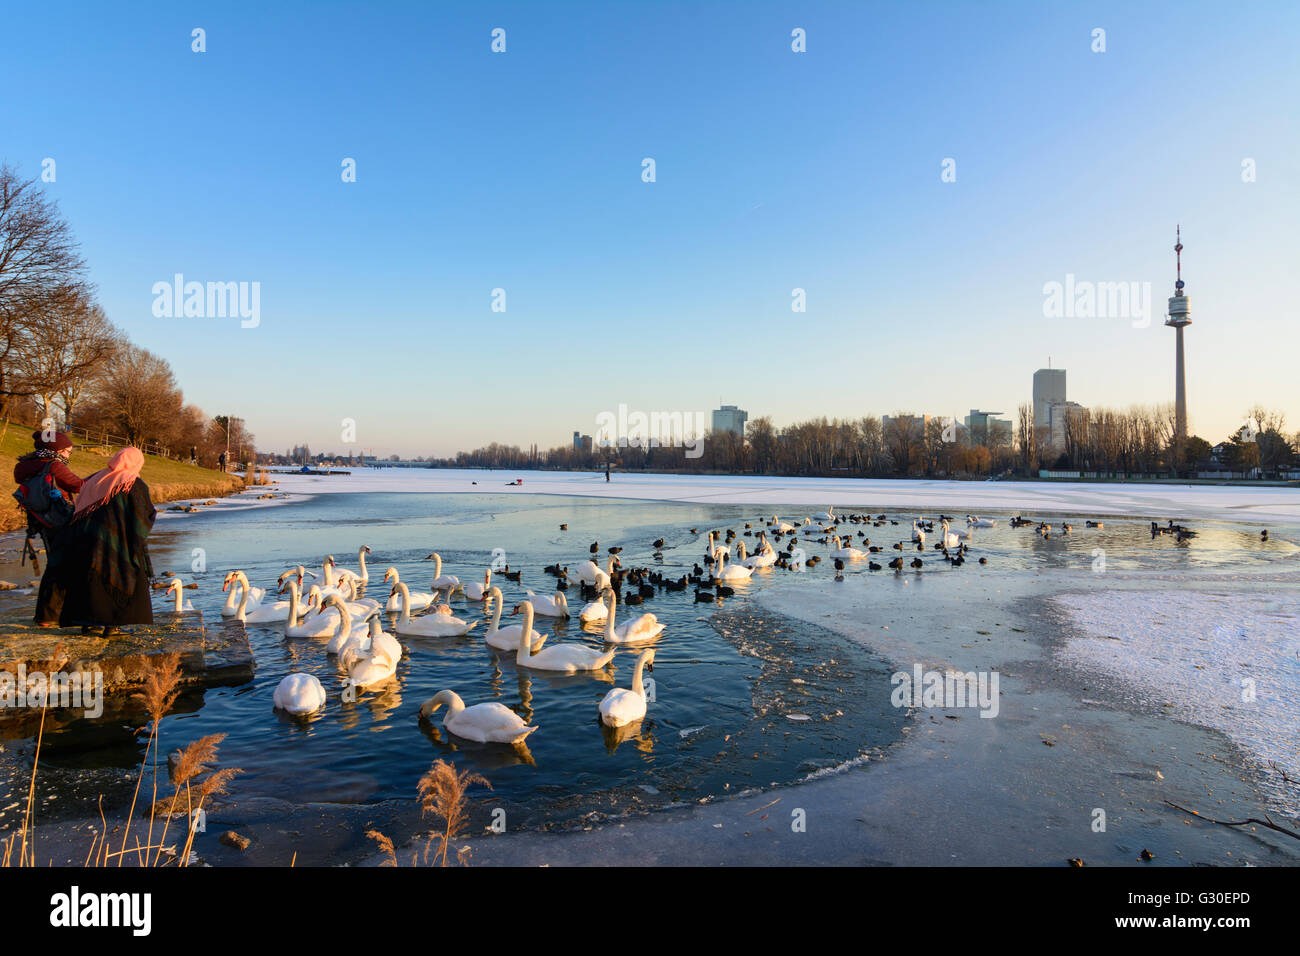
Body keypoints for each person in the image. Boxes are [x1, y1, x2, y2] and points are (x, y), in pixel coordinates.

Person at [57, 447, 156, 636]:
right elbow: (142, 517)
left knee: (89, 581)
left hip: (85, 541)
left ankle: (88, 622)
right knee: (118, 578)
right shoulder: (132, 483)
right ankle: (112, 625)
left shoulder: (96, 479)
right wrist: (140, 535)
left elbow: (77, 509)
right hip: (117, 543)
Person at [13, 430, 84, 625]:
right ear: (57, 450)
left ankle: (48, 615)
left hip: (40, 520)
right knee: (62, 567)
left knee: (55, 565)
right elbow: (79, 485)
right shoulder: (54, 466)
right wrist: (105, 477)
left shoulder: (24, 466)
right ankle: (50, 616)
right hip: (59, 520)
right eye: (68, 451)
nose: (69, 455)